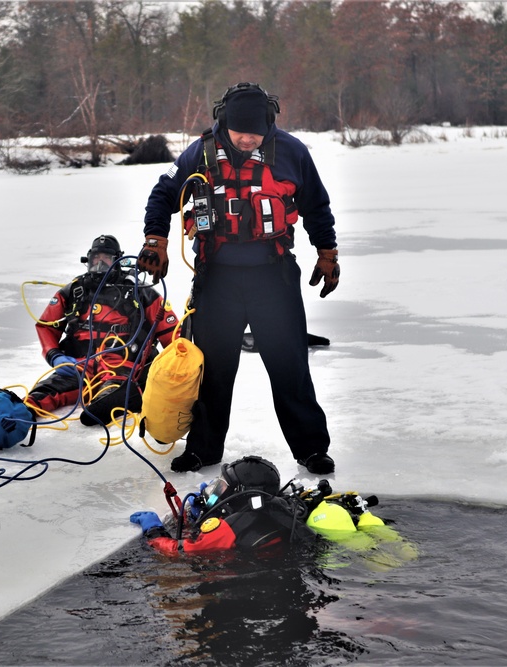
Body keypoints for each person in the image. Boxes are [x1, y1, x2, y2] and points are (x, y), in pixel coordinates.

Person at [136, 82, 340, 475]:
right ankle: (204, 450)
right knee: (212, 370)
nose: (247, 139)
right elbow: (162, 195)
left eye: (256, 133)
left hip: (273, 277)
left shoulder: (292, 152)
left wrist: (327, 253)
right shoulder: (200, 152)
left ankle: (311, 449)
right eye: (240, 132)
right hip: (217, 279)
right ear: (224, 124)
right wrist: (155, 241)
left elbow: (317, 206)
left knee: (290, 367)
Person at [28, 234, 181, 425]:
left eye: (106, 258)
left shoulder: (141, 293)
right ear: (88, 260)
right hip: (77, 365)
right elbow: (46, 325)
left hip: (120, 365)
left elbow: (174, 336)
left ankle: (123, 399)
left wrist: (173, 374)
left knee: (108, 400)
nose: (100, 263)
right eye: (96, 258)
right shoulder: (75, 291)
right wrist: (54, 356)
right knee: (38, 397)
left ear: (117, 261)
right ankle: (13, 416)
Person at [129, 455, 390, 555]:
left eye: (224, 485)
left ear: (239, 494)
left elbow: (180, 551)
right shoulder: (280, 506)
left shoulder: (228, 526)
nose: (216, 489)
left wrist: (154, 530)